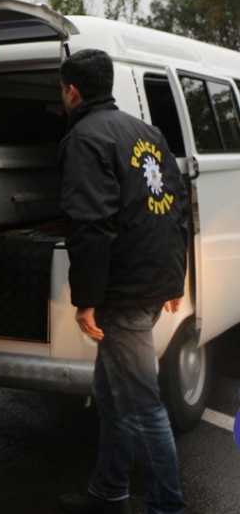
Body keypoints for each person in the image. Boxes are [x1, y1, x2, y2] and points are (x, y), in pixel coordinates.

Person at [57, 49, 189, 514]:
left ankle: (167, 506)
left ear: (72, 91)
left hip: (123, 292)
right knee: (110, 397)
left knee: (142, 406)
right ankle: (109, 487)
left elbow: (91, 224)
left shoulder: (85, 137)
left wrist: (87, 299)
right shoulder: (147, 134)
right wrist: (176, 278)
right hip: (149, 283)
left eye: (62, 90)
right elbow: (175, 208)